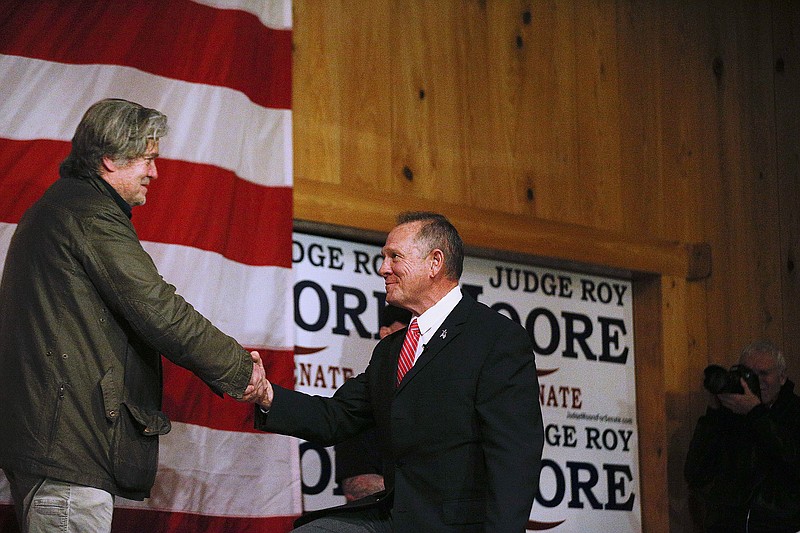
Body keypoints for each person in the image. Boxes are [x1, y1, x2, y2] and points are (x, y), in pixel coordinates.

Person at [0, 98, 267, 532]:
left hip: (56, 447)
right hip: (69, 455)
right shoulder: (88, 215)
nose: (154, 172)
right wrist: (241, 370)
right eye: (148, 158)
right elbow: (158, 308)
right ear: (109, 158)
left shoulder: (61, 209)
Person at [253, 211, 544, 532]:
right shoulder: (391, 351)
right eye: (384, 257)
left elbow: (514, 454)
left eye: (395, 257)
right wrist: (267, 394)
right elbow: (336, 417)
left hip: (455, 524)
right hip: (393, 516)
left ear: (435, 263)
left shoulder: (494, 337)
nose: (383, 268)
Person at [684, 339, 800, 532]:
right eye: (748, 374)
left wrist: (756, 413)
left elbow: (793, 459)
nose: (756, 380)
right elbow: (695, 474)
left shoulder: (795, 412)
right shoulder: (729, 416)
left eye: (764, 373)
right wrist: (714, 413)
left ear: (782, 377)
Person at [334, 304, 412, 502]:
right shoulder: (365, 396)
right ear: (386, 333)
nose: (416, 337)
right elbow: (355, 485)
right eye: (408, 328)